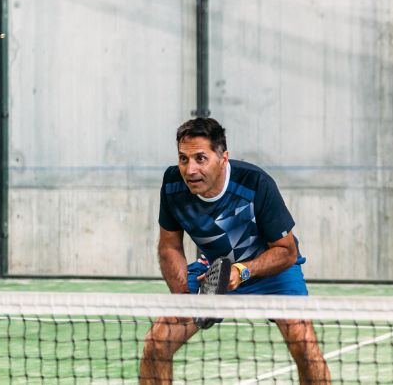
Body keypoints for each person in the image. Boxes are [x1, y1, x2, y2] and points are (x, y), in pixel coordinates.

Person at [139, 117, 331, 384]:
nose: (190, 169)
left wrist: (242, 271)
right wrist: (182, 298)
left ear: (223, 157)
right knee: (157, 343)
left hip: (270, 273)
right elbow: (169, 247)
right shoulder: (173, 185)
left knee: (305, 346)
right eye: (184, 159)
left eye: (200, 158)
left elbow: (286, 251)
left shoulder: (255, 183)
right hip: (214, 274)